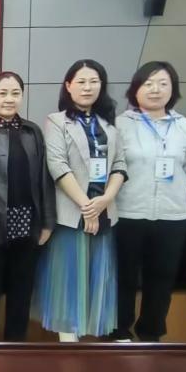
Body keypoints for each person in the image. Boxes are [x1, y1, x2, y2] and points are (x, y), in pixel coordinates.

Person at [32, 59, 127, 342]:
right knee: (69, 278)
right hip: (71, 214)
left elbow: (120, 165)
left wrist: (105, 199)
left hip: (105, 211)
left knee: (98, 278)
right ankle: (68, 343)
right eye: (81, 81)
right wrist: (87, 206)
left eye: (94, 81)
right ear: (69, 86)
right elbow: (58, 165)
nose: (88, 87)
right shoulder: (56, 121)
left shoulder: (110, 124)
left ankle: (89, 344)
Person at [111, 62, 186, 343]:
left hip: (172, 216)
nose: (155, 89)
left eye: (163, 83)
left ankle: (151, 333)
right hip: (128, 212)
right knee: (124, 276)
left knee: (161, 278)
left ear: (173, 89)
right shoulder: (120, 125)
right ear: (135, 89)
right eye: (148, 83)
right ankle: (120, 330)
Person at [0, 71, 55, 342]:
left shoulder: (33, 132)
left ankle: (16, 346)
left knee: (22, 290)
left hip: (27, 222)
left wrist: (47, 221)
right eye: (2, 93)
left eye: (15, 93)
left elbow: (44, 179)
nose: (9, 99)